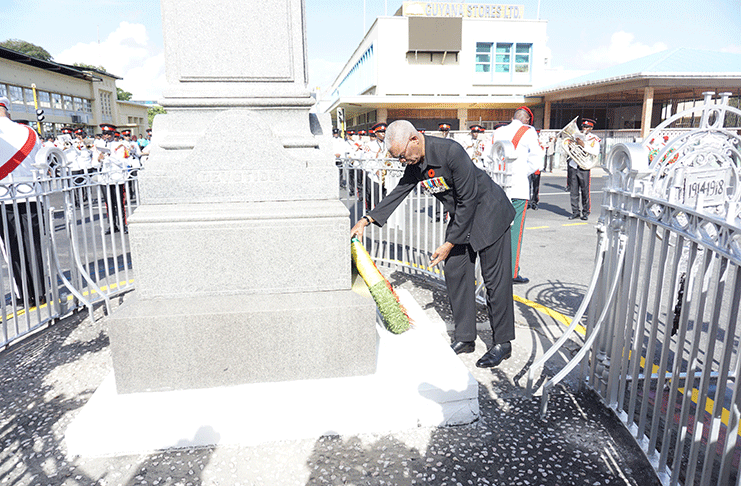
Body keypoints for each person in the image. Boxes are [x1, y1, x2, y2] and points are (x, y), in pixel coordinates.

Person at [351, 120, 516, 369]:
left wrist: (449, 242)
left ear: (414, 139)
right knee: (456, 272)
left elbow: (469, 199)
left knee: (495, 280)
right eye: (399, 159)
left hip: (489, 213)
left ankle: (502, 343)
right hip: (463, 217)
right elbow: (400, 190)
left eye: (403, 156)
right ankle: (465, 337)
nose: (403, 162)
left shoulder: (450, 152)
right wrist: (367, 219)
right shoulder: (415, 162)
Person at [0, 96, 47, 307]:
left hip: (3, 197)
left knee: (13, 248)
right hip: (30, 194)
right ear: (7, 110)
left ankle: (23, 295)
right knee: (33, 245)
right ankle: (39, 293)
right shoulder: (29, 132)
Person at [491, 107, 543, 284]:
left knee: (497, 229)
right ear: (527, 120)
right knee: (515, 232)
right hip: (518, 189)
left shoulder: (498, 132)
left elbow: (488, 158)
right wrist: (520, 174)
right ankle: (512, 272)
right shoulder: (528, 132)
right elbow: (537, 161)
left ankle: (494, 268)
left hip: (498, 187)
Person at [566, 118, 600, 220]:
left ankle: (586, 212)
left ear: (591, 128)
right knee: (574, 191)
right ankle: (575, 211)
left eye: (587, 127)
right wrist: (570, 146)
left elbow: (595, 152)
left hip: (584, 166)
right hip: (574, 165)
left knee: (585, 191)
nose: (584, 129)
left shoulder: (594, 139)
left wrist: (583, 145)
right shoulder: (576, 136)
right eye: (583, 127)